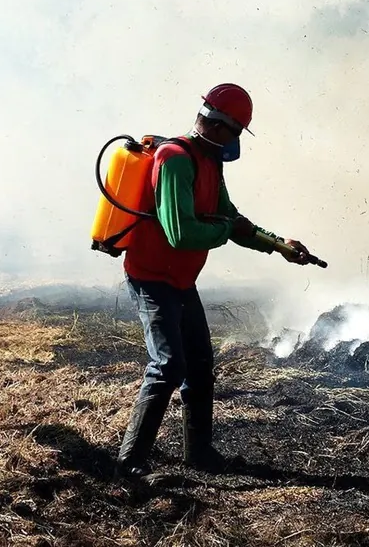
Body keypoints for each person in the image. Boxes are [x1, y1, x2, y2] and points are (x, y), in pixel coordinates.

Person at [115, 83, 311, 480]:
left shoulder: (209, 162)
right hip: (152, 279)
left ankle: (199, 455)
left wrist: (279, 245)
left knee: (200, 366)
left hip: (181, 282)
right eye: (238, 132)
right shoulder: (174, 159)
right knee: (168, 366)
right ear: (224, 128)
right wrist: (222, 229)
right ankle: (129, 464)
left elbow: (232, 220)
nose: (236, 142)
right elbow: (181, 234)